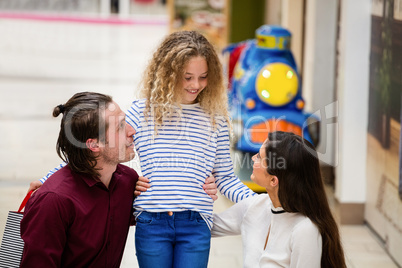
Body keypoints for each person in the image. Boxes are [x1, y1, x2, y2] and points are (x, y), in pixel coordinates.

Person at [29, 31, 254, 268]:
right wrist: (47, 180)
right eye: (187, 77)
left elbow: (226, 177)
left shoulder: (214, 119)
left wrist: (262, 203)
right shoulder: (143, 111)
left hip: (195, 223)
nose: (195, 85)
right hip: (151, 223)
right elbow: (98, 148)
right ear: (168, 74)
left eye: (203, 77)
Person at [20, 92, 139, 267]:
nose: (132, 131)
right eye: (120, 126)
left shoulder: (128, 181)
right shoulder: (54, 201)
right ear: (93, 145)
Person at [211, 131, 346, 268]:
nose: (252, 158)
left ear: (273, 180)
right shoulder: (253, 206)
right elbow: (204, 225)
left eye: (259, 157)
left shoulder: (305, 230)